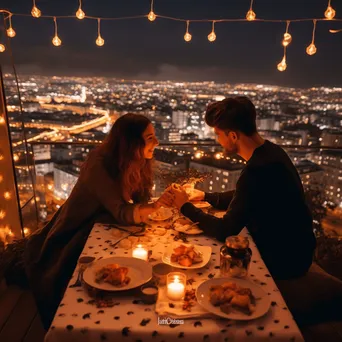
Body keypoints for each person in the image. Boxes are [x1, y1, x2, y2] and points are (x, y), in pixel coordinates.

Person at [19, 113, 172, 329]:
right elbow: (120, 211)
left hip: (105, 221)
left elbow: (140, 200)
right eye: (149, 138)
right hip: (77, 228)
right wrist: (155, 207)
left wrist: (152, 206)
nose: (156, 142)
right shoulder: (99, 165)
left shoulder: (137, 161)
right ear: (131, 144)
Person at [169, 96, 317, 281]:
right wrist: (206, 196)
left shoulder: (257, 170)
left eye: (218, 134)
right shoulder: (272, 152)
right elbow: (248, 196)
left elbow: (225, 230)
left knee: (205, 264)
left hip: (284, 261)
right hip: (298, 250)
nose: (218, 140)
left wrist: (184, 207)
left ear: (233, 135)